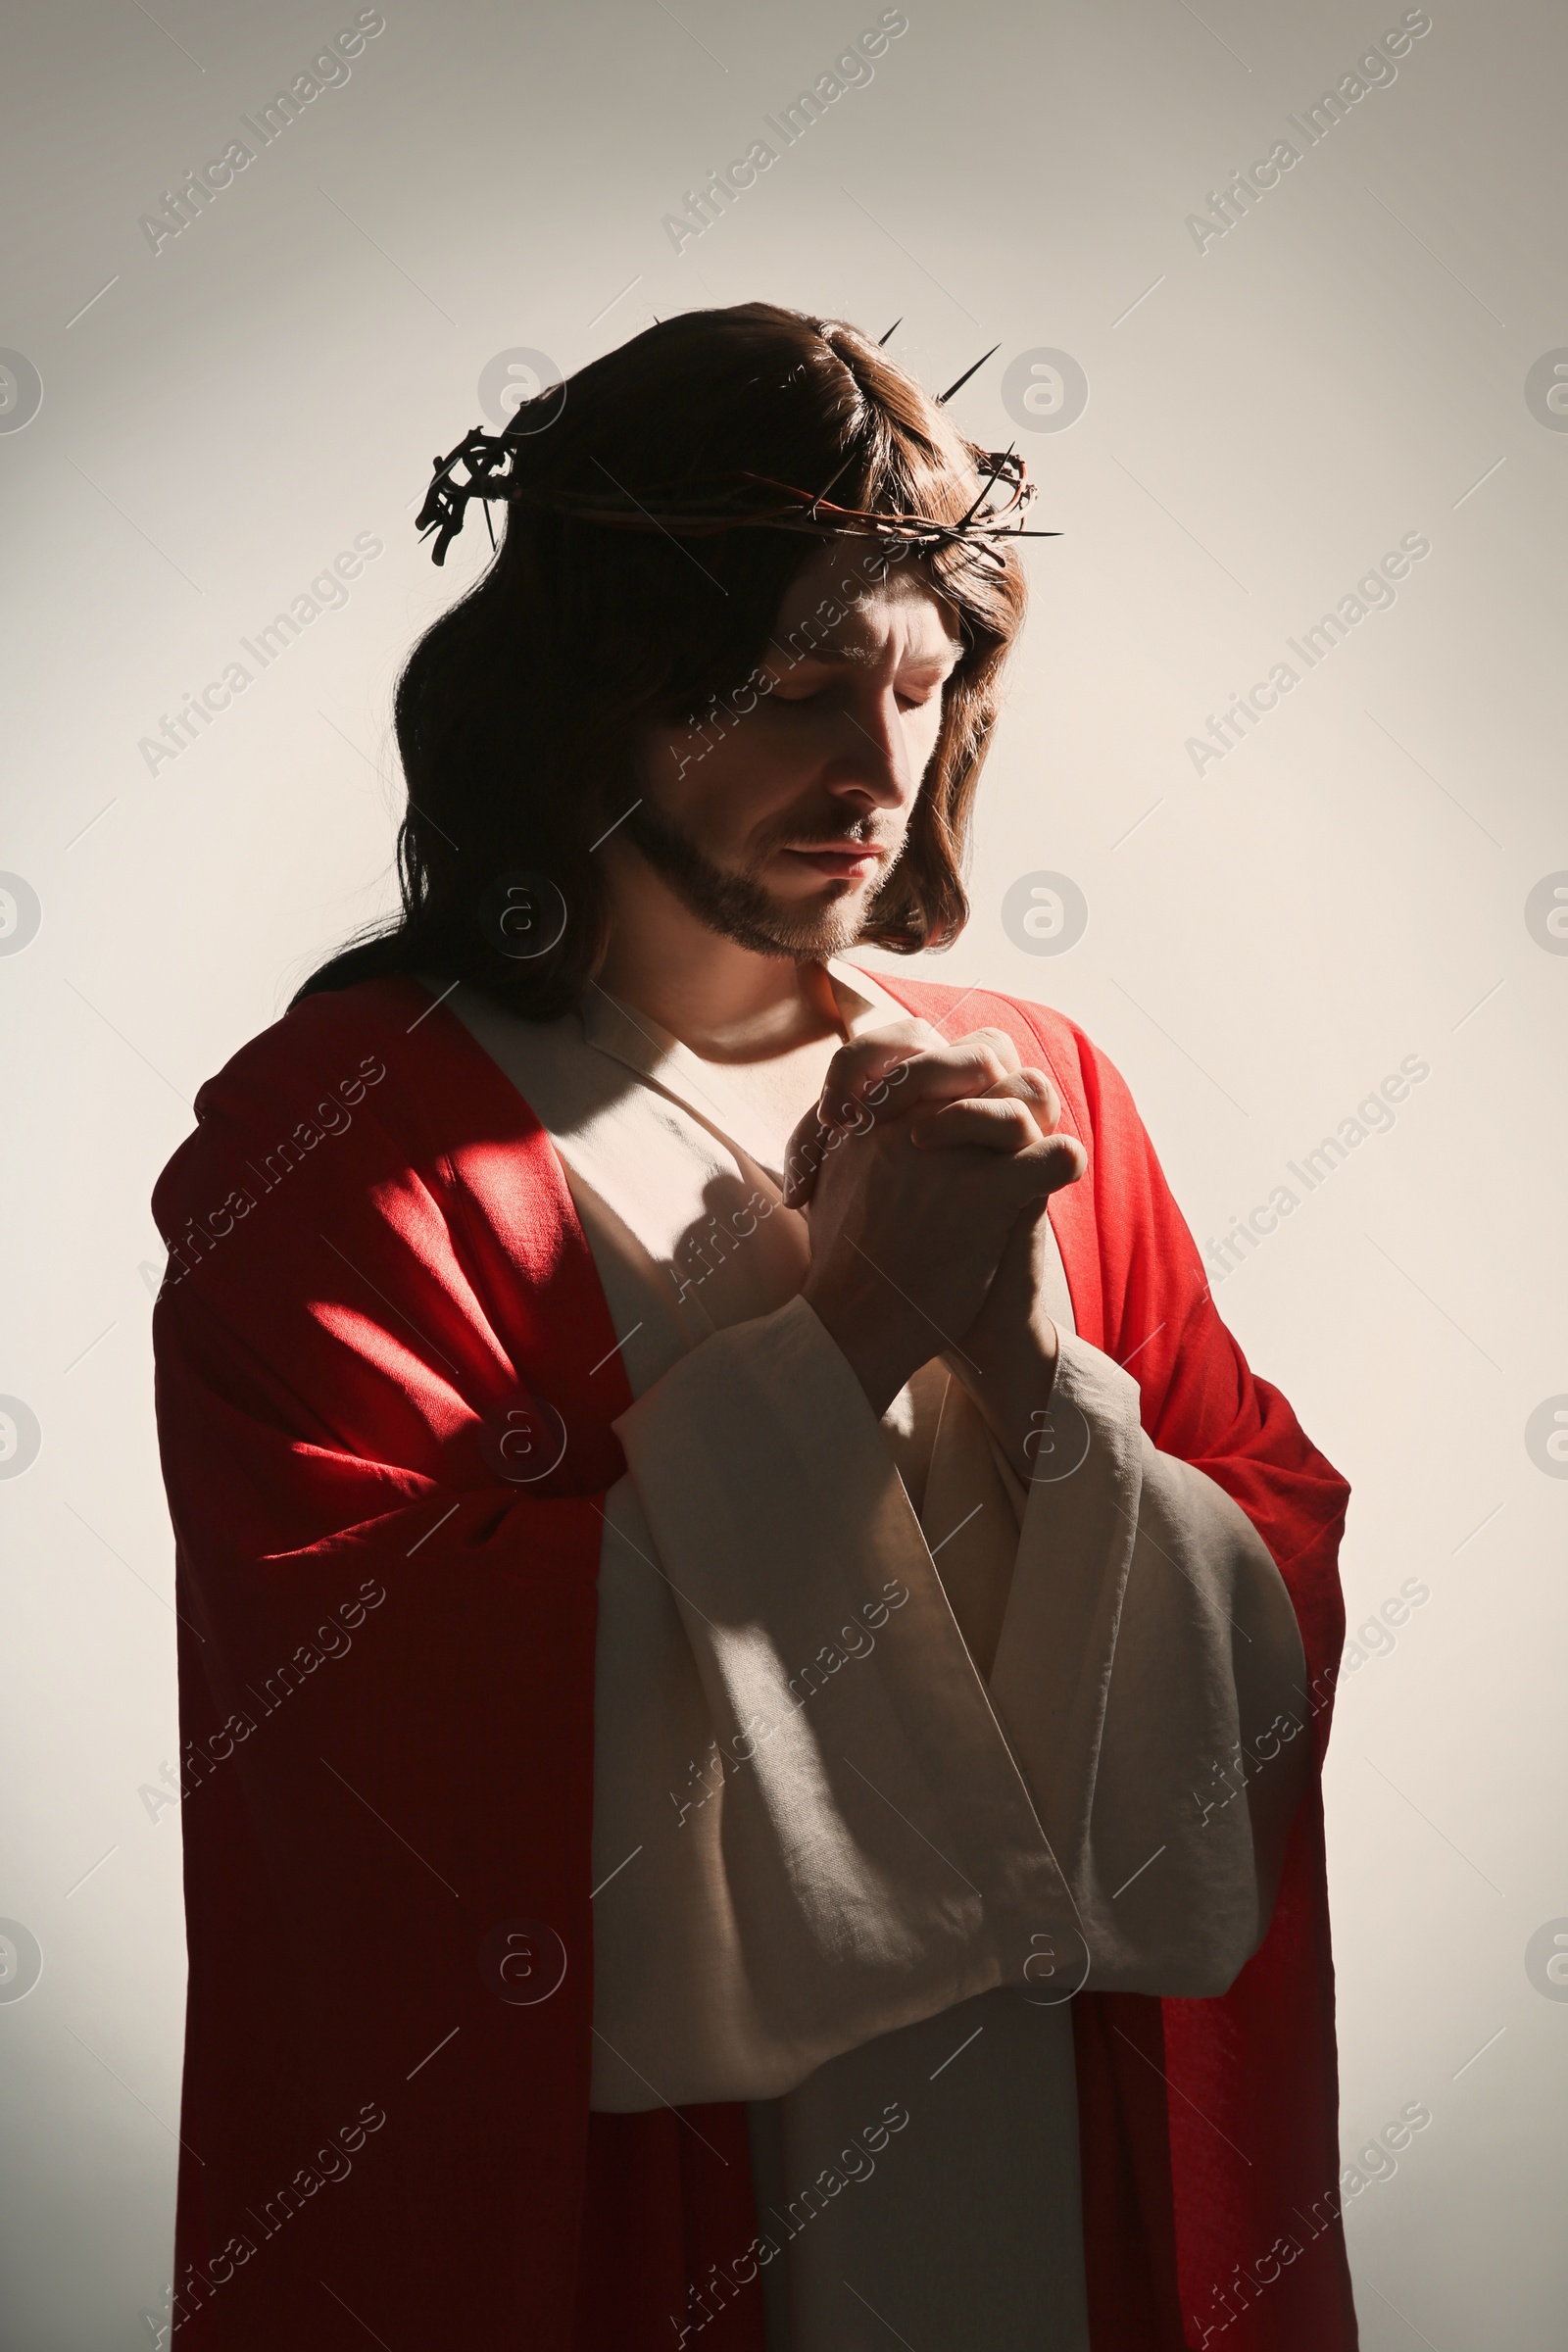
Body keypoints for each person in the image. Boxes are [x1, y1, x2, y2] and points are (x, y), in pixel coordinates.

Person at [150, 303, 1354, 2351]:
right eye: (798, 684)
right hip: (672, 2206)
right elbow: (366, 1727)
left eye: (920, 680)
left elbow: (1278, 1549)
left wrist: (1034, 1384)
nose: (876, 766)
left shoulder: (1029, 1081)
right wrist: (858, 1321)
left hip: (1050, 2159)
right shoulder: (349, 1138)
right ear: (593, 692)